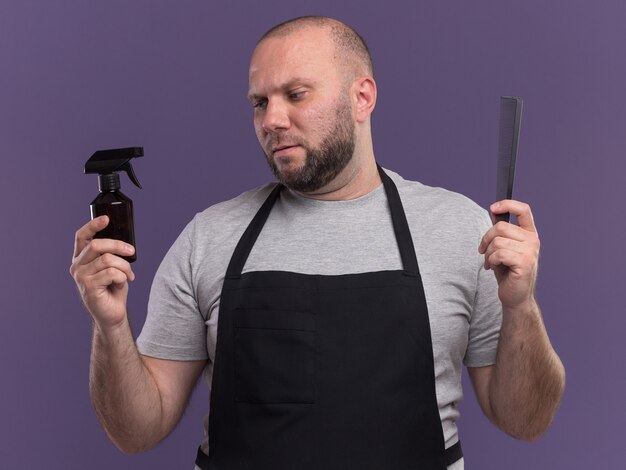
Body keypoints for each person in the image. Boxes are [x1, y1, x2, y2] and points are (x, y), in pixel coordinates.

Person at [70, 16, 565, 470]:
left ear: (362, 97)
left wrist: (521, 307)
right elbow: (136, 432)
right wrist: (110, 326)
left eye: (296, 94)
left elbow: (526, 421)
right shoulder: (209, 238)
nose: (271, 120)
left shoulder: (461, 230)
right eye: (260, 102)